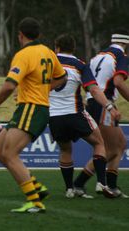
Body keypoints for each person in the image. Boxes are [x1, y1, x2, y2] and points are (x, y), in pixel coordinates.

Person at [0, 17, 67, 213]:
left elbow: (10, 85)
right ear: (39, 34)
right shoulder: (48, 52)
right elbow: (62, 78)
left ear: (20, 35)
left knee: (9, 153)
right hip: (32, 108)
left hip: (31, 108)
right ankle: (35, 186)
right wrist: (43, 89)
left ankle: (35, 201)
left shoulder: (24, 54)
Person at [49, 34, 120, 198]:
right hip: (75, 113)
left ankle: (69, 189)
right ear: (73, 48)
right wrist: (109, 106)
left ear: (57, 47)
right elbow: (94, 90)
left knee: (65, 149)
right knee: (99, 143)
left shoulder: (48, 63)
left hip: (54, 116)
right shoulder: (80, 65)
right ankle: (102, 183)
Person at [85, 29, 129, 198]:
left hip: (93, 100)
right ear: (126, 44)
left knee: (118, 144)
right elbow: (118, 82)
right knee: (112, 147)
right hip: (105, 103)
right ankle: (81, 183)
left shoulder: (97, 56)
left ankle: (110, 185)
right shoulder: (121, 57)